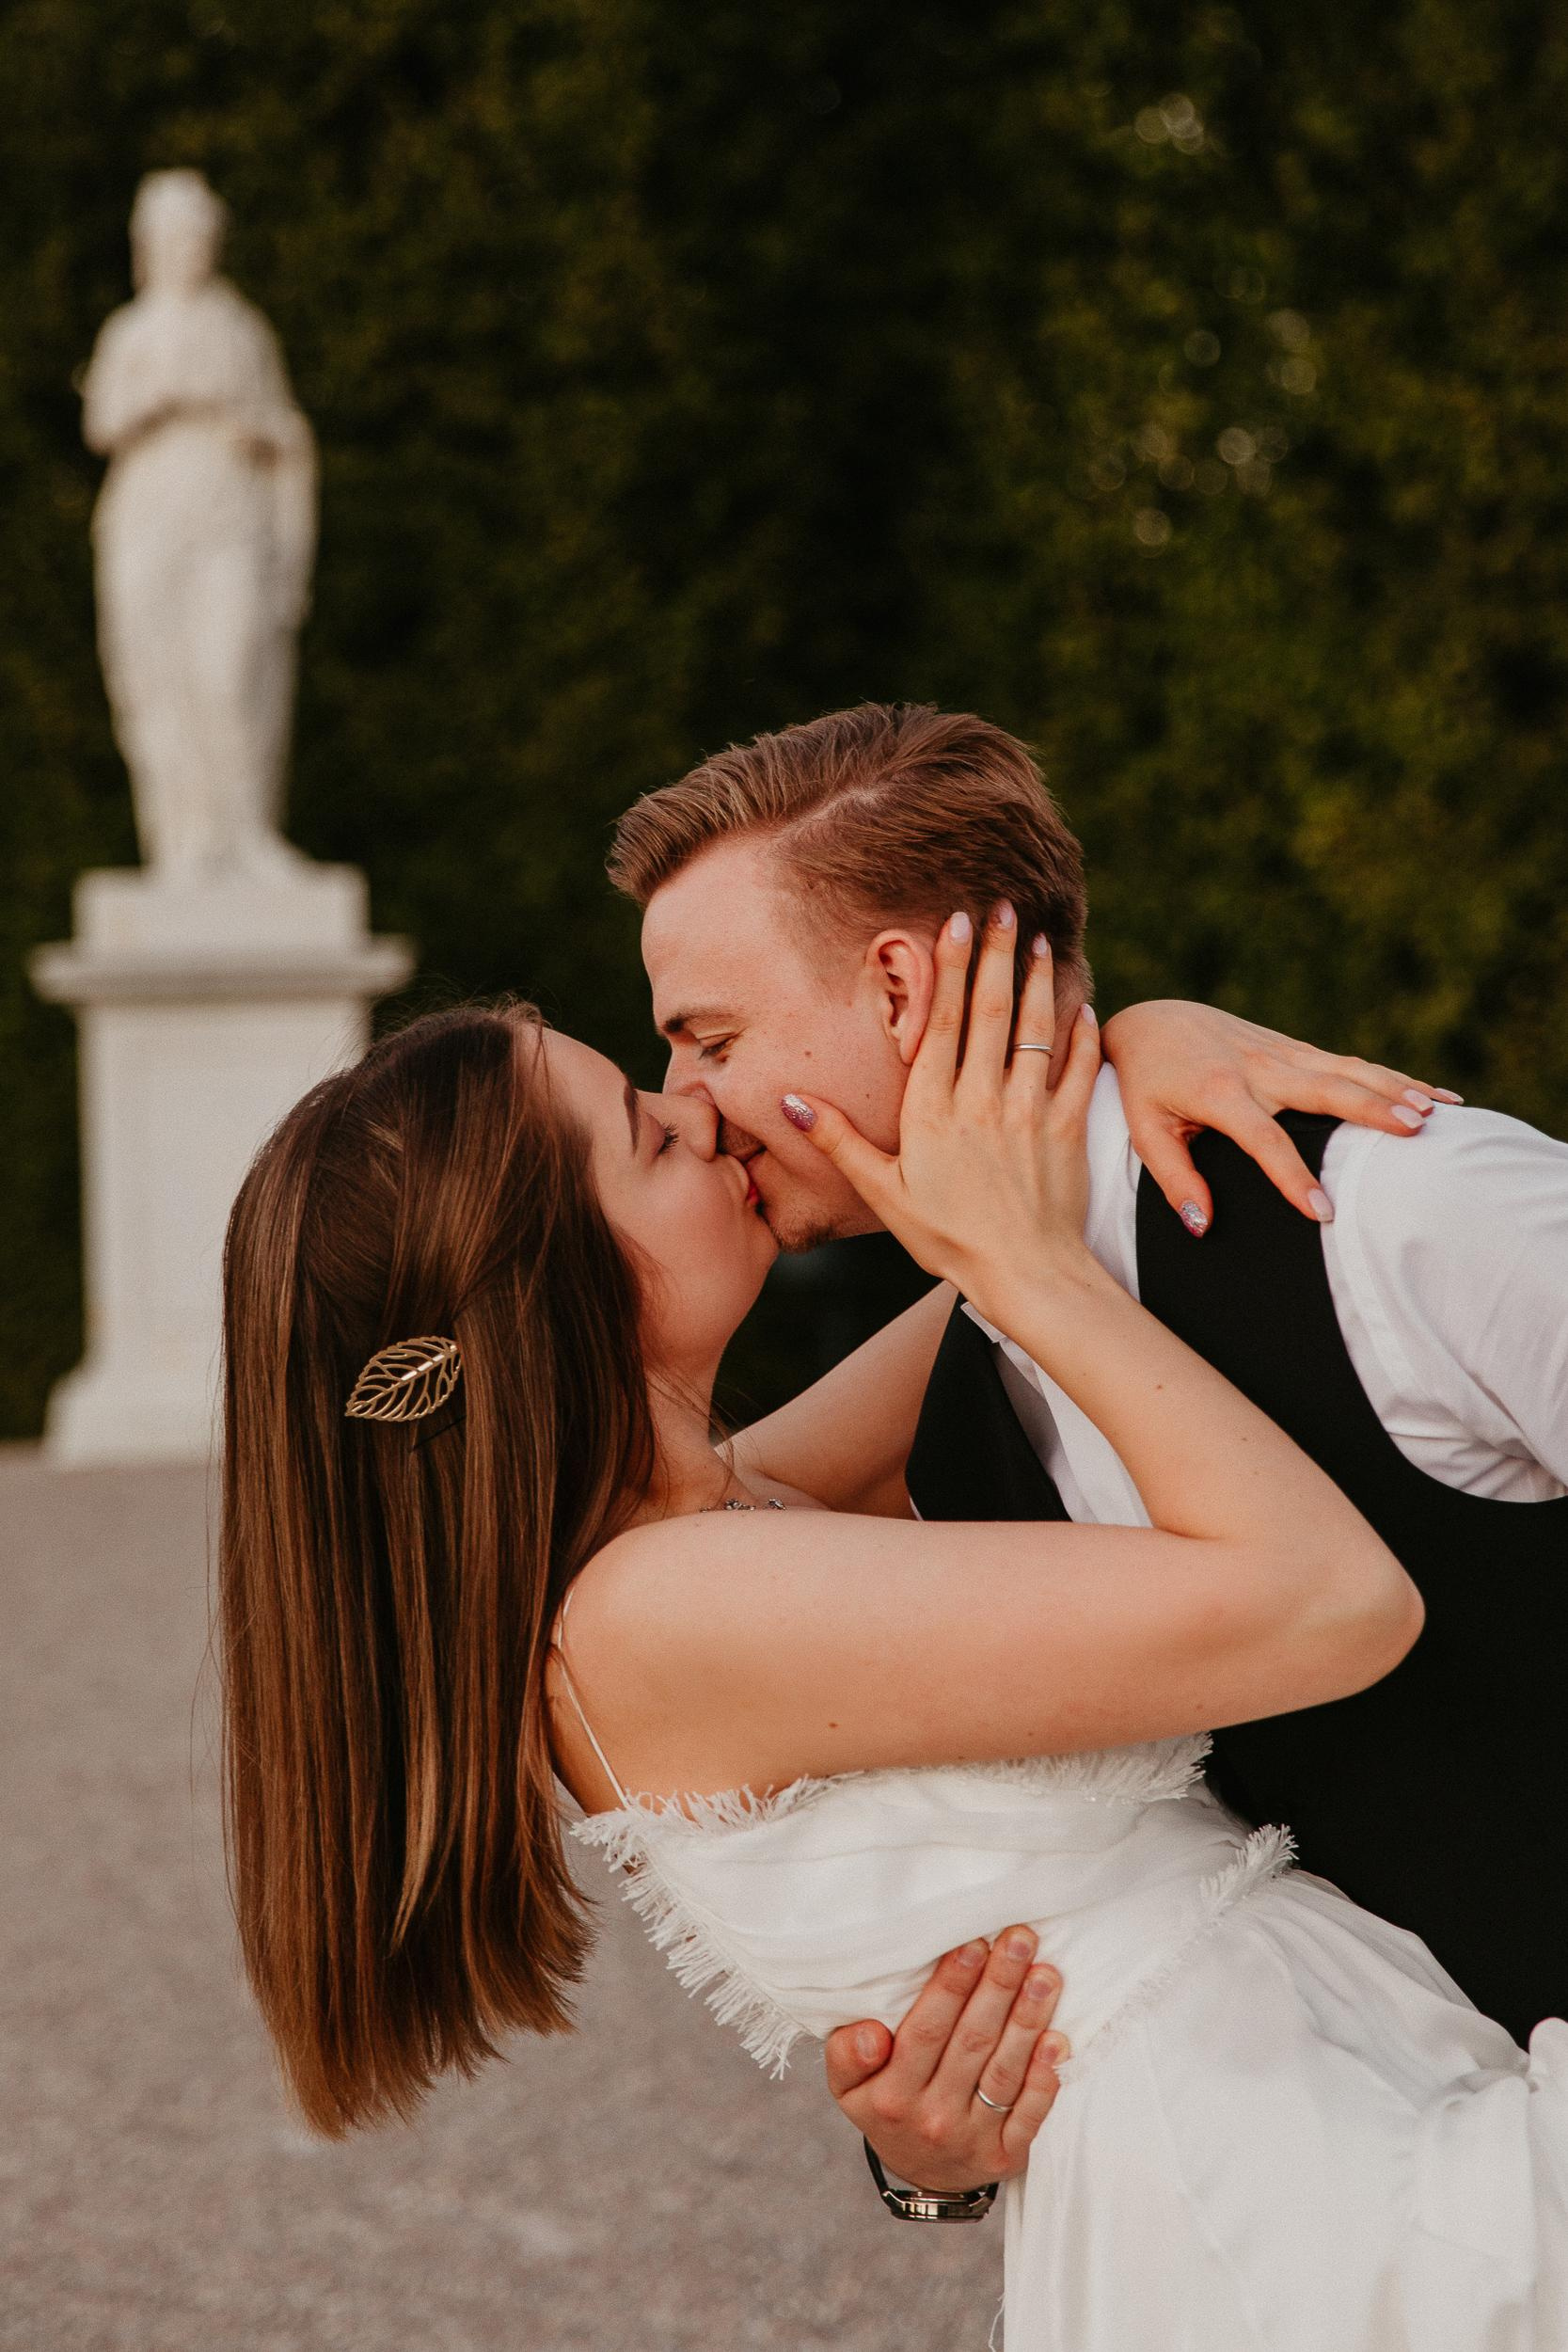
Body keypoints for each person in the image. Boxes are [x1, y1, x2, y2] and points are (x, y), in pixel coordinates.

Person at [221, 938, 1565, 2348]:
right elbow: (1327, 1601)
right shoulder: (648, 1617)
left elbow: (1041, 1227)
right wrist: (1044, 1235)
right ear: (547, 1282)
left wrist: (1136, 1045)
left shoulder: (724, 1510)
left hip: (1305, 2073)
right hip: (1275, 2172)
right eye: (641, 1127)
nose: (698, 1114)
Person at [607, 703, 1568, 2215]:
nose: (692, 1105)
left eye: (710, 1040)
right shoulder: (929, 1432)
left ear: (904, 985)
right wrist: (930, 2155)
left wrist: (1125, 1039)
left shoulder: (1398, 1212)